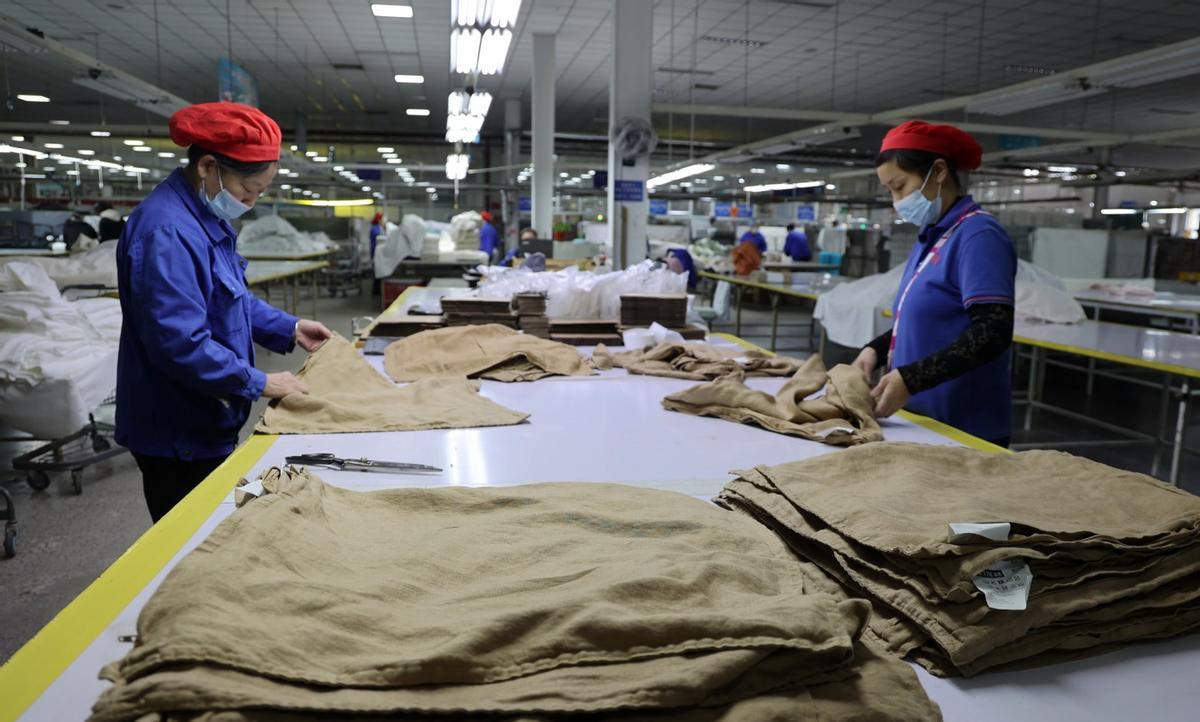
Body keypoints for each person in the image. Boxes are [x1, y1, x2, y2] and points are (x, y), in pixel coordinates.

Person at [115, 102, 332, 522]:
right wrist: (259, 381)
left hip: (207, 419)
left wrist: (289, 328)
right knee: (198, 540)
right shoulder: (168, 232)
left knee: (230, 516)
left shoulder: (203, 218)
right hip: (177, 432)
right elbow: (180, 344)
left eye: (260, 194)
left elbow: (232, 299)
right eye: (248, 191)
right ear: (209, 166)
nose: (251, 202)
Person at [853, 120, 1016, 447]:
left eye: (899, 186)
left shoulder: (978, 236)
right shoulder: (933, 237)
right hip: (922, 420)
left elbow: (992, 331)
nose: (895, 200)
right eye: (890, 191)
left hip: (963, 427)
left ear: (938, 171)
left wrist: (911, 379)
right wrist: (875, 349)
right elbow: (926, 318)